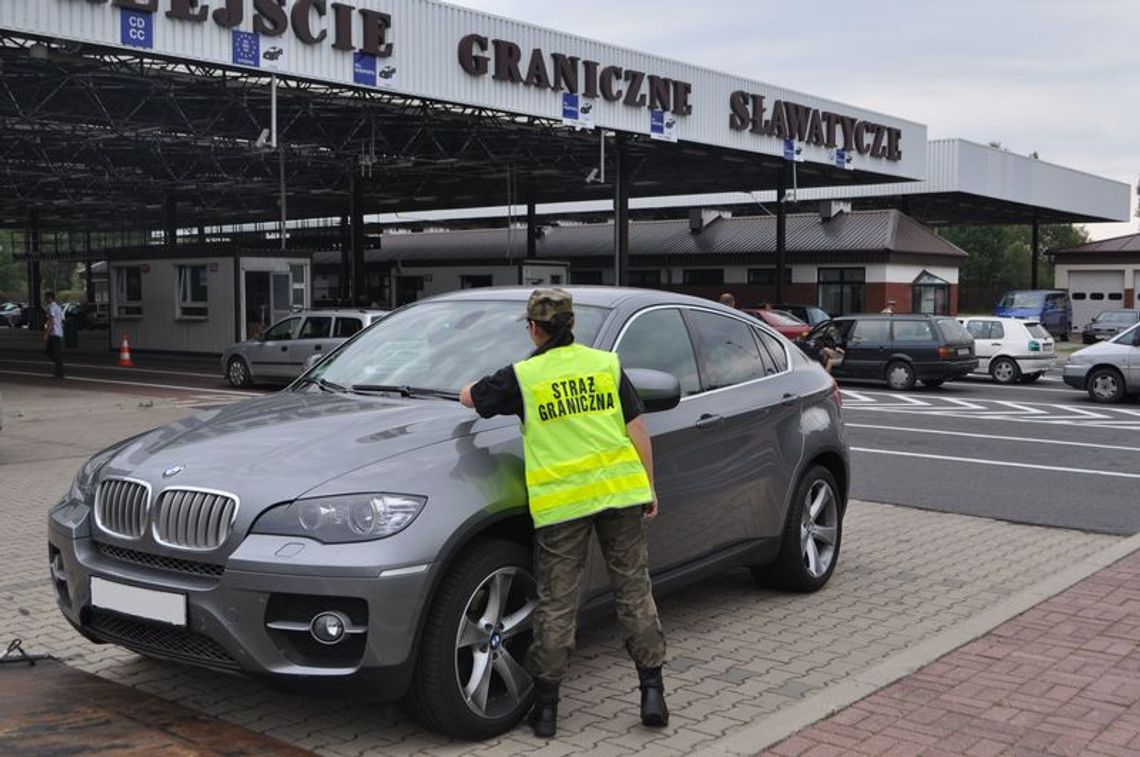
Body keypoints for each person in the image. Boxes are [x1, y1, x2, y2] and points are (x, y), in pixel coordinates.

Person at [460, 289, 668, 739]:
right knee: (634, 592)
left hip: (563, 507)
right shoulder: (605, 365)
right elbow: (638, 429)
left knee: (557, 603)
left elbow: (470, 398)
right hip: (621, 495)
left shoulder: (525, 376)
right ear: (572, 326)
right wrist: (649, 486)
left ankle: (548, 710)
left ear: (534, 329)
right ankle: (653, 693)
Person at [43, 290, 65, 379]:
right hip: (59, 333)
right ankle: (59, 370)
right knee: (53, 352)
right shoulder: (58, 307)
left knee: (52, 352)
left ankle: (59, 372)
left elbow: (51, 321)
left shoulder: (51, 307)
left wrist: (46, 334)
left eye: (46, 298)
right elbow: (62, 319)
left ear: (49, 298)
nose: (45, 299)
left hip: (54, 333)